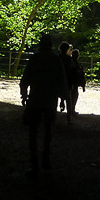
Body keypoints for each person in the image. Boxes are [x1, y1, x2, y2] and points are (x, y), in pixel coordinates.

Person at [19, 34, 68, 176]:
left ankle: (34, 164)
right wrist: (63, 99)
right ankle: (46, 159)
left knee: (33, 132)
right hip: (50, 100)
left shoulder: (35, 58)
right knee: (48, 131)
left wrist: (24, 95)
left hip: (35, 99)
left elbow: (25, 78)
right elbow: (62, 81)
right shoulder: (55, 59)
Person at [58, 41, 76, 120]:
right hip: (67, 80)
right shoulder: (69, 59)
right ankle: (69, 117)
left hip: (58, 80)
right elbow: (71, 70)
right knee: (69, 99)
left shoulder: (57, 57)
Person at [71, 48, 86, 114]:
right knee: (74, 95)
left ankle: (71, 109)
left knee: (74, 94)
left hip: (73, 81)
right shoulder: (74, 62)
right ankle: (72, 109)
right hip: (73, 81)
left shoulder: (72, 61)